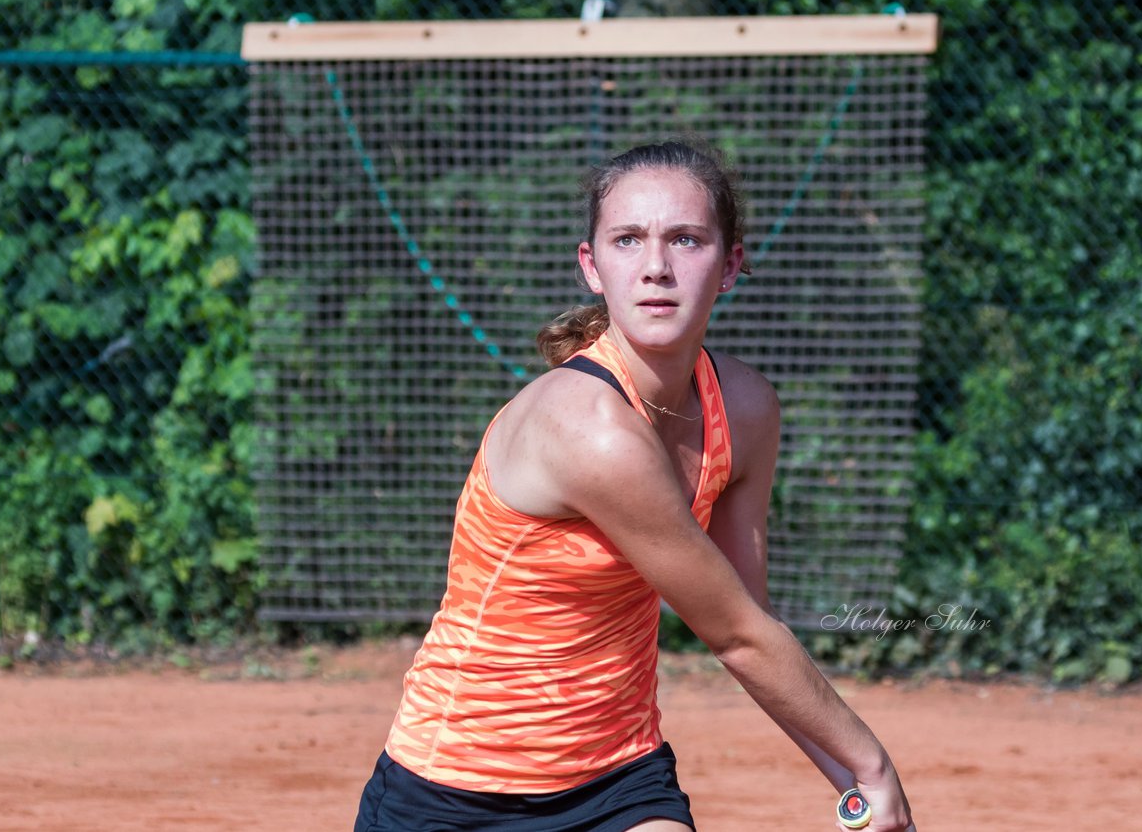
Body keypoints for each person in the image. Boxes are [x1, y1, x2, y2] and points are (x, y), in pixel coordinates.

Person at [353, 139, 916, 831]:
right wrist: (872, 768)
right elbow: (735, 633)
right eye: (627, 240)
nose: (656, 268)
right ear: (592, 266)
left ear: (732, 263)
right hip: (453, 790)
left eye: (686, 239)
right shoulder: (588, 426)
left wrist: (853, 783)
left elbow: (751, 623)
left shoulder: (744, 409)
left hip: (618, 776)